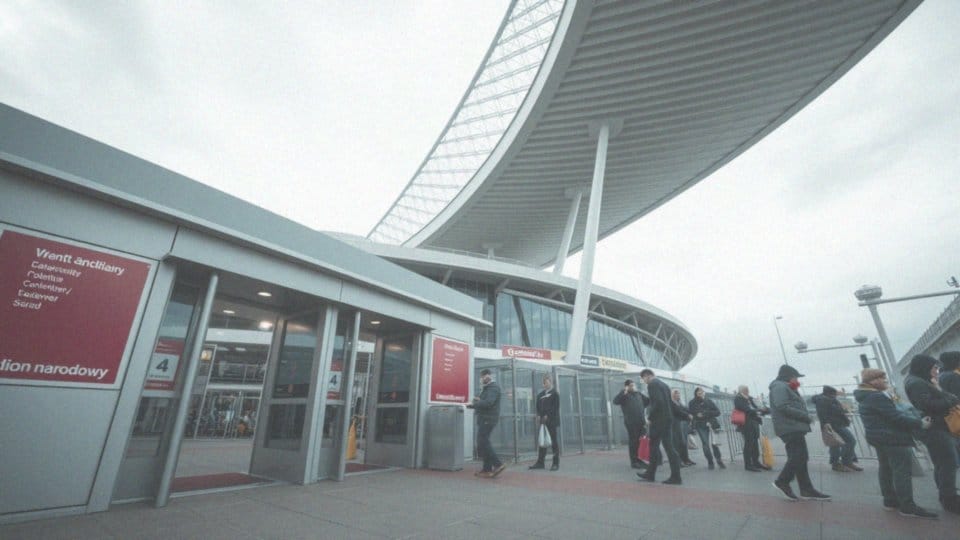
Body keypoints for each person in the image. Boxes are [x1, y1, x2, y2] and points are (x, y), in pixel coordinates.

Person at [855, 368, 938, 518]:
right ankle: (907, 506)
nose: (885, 381)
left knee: (886, 469)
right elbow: (896, 417)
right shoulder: (876, 397)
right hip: (892, 438)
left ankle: (890, 501)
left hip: (879, 438)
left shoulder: (865, 396)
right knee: (901, 472)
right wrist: (920, 424)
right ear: (873, 381)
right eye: (882, 379)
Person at [904, 354, 960, 513]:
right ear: (924, 367)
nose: (937, 370)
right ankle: (949, 499)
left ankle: (946, 495)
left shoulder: (920, 380)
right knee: (948, 463)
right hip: (935, 428)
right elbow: (927, 405)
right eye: (934, 367)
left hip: (938, 427)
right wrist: (951, 401)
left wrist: (947, 396)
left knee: (943, 463)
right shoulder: (916, 383)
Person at [769, 364, 830, 501]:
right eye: (795, 377)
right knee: (798, 457)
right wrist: (805, 417)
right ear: (789, 377)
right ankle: (782, 481)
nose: (797, 380)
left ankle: (806, 489)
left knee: (801, 457)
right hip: (789, 427)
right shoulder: (779, 387)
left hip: (793, 427)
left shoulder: (785, 387)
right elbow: (783, 406)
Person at [636, 369, 682, 485]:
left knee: (655, 447)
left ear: (647, 376)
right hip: (667, 420)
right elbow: (669, 403)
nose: (644, 382)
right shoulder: (664, 385)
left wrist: (650, 418)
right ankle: (658, 474)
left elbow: (657, 402)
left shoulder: (652, 385)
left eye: (643, 379)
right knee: (667, 447)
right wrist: (685, 415)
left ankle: (655, 475)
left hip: (659, 421)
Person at [466, 368, 506, 478]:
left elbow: (488, 403)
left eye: (483, 377)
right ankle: (487, 469)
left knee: (483, 441)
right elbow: (484, 401)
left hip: (488, 419)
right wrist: (477, 401)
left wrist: (474, 404)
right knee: (484, 442)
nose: (481, 379)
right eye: (481, 377)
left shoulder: (493, 388)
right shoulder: (487, 388)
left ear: (489, 376)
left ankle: (498, 464)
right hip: (485, 418)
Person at [811, 386, 862, 472]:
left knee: (835, 444)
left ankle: (837, 463)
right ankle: (846, 462)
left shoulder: (826, 399)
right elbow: (826, 413)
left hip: (833, 425)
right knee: (850, 441)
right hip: (834, 425)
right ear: (831, 393)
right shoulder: (824, 400)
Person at [613, 378, 649, 469]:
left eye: (634, 385)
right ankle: (634, 462)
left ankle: (641, 460)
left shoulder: (639, 394)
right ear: (627, 387)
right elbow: (615, 401)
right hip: (631, 422)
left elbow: (648, 402)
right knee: (634, 442)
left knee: (642, 441)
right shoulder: (624, 395)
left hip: (641, 422)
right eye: (631, 385)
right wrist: (623, 391)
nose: (633, 387)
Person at [734, 385, 769, 471]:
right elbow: (746, 409)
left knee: (755, 443)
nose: (747, 390)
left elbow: (756, 407)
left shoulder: (749, 398)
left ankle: (756, 462)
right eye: (745, 389)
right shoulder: (738, 398)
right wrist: (759, 411)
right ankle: (748, 464)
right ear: (741, 390)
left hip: (754, 422)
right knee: (749, 443)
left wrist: (763, 410)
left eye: (747, 389)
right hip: (746, 423)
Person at [689, 387, 725, 469]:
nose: (700, 393)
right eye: (698, 391)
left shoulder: (709, 401)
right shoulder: (692, 403)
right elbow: (691, 413)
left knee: (714, 444)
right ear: (695, 393)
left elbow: (717, 412)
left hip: (711, 424)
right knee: (705, 444)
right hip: (700, 425)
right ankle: (710, 461)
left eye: (701, 391)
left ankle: (719, 460)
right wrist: (696, 415)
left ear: (703, 393)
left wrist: (706, 413)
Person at [530, 374, 560, 471]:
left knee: (554, 442)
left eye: (546, 382)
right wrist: (539, 415)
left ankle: (555, 463)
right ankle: (540, 462)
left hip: (551, 422)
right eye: (543, 383)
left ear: (550, 382)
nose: (544, 385)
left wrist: (548, 415)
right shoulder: (540, 395)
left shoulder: (555, 394)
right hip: (543, 422)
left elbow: (555, 408)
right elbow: (538, 407)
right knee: (542, 442)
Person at [671, 389, 696, 467]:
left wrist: (689, 414)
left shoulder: (681, 403)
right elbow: (677, 411)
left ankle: (686, 459)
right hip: (675, 424)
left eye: (678, 393)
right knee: (677, 443)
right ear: (672, 395)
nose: (677, 395)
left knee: (684, 443)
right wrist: (687, 415)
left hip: (683, 424)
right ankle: (679, 461)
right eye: (675, 393)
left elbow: (686, 410)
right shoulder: (672, 403)